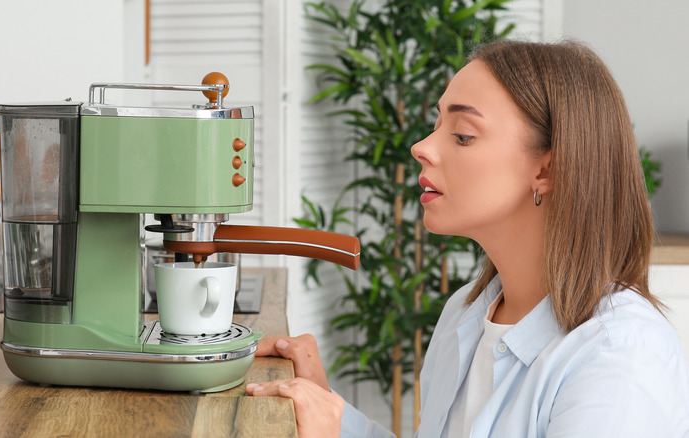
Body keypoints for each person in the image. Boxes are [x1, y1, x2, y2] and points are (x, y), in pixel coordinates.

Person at [246, 40, 689, 437]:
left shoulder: (620, 358)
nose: (421, 146)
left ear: (546, 170)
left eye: (462, 135)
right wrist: (332, 416)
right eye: (437, 125)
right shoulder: (466, 315)